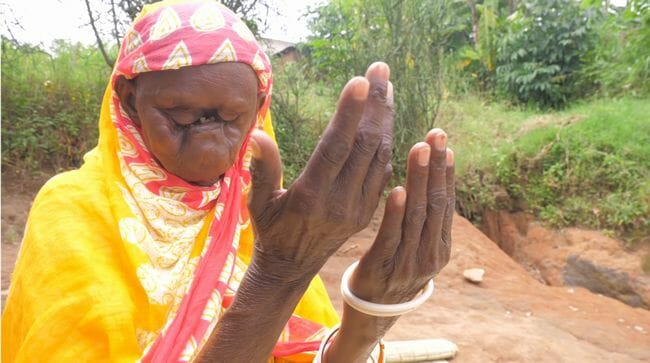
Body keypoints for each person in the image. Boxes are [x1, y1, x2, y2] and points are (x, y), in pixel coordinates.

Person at [2, 1, 455, 362]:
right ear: (129, 99)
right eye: (180, 116)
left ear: (258, 108)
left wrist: (368, 316)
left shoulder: (254, 215)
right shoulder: (74, 211)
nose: (209, 142)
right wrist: (280, 272)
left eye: (231, 118)